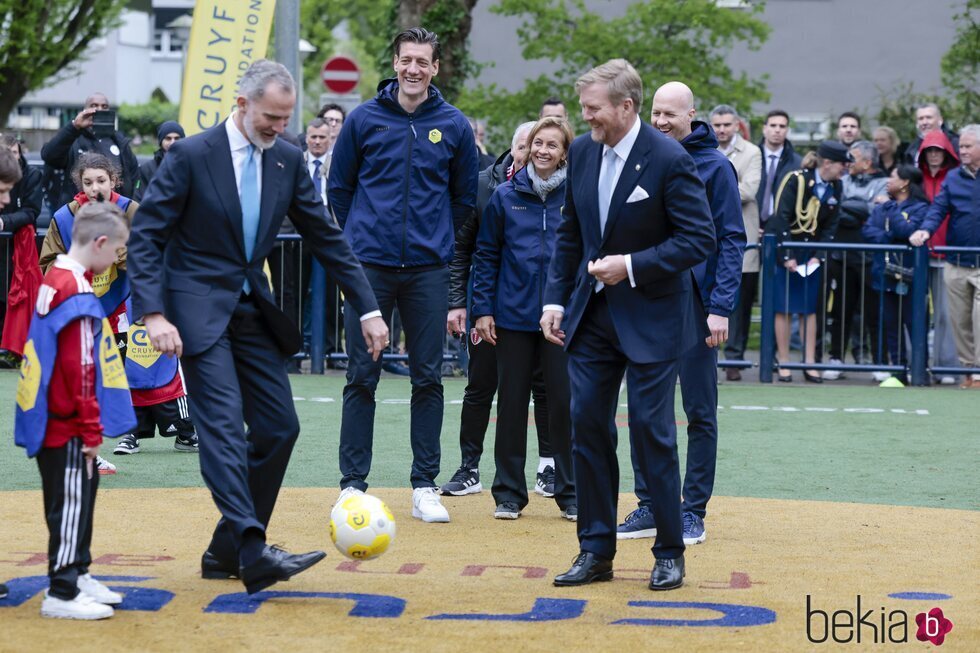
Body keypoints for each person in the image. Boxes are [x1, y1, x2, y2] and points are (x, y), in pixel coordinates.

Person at [127, 59, 388, 594]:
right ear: (242, 104)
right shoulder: (191, 156)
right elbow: (147, 236)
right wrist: (152, 313)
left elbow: (327, 237)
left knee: (278, 429)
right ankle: (251, 547)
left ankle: (224, 551)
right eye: (271, 116)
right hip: (195, 315)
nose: (278, 127)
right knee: (222, 428)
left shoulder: (286, 160)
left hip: (251, 313)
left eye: (286, 117)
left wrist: (368, 307)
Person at [542, 59, 715, 591]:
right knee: (587, 429)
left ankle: (669, 551)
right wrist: (554, 301)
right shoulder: (587, 152)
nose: (586, 118)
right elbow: (571, 233)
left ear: (626, 106)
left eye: (593, 109)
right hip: (592, 316)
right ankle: (595, 551)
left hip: (655, 319)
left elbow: (698, 239)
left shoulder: (668, 158)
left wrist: (632, 266)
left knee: (651, 433)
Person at [328, 27, 479, 523]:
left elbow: (463, 198)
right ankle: (352, 486)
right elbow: (340, 189)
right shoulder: (363, 120)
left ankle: (424, 485)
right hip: (369, 268)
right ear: (394, 63)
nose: (414, 68)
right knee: (361, 376)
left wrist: (435, 238)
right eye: (406, 59)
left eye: (423, 61)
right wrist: (361, 238)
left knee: (428, 377)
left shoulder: (453, 125)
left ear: (436, 68)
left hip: (428, 271)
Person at [617, 83, 744, 545]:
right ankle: (650, 504)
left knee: (699, 412)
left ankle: (693, 511)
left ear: (692, 113)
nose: (663, 121)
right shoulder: (643, 161)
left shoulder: (716, 167)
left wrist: (720, 307)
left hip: (697, 311)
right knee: (644, 411)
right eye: (656, 113)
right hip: (647, 306)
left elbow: (732, 239)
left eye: (671, 113)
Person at [14, 202, 136, 619]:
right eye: (116, 251)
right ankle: (62, 591)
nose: (116, 261)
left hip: (54, 417)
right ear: (99, 243)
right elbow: (81, 369)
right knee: (69, 502)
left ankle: (78, 572)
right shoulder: (80, 293)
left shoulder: (57, 275)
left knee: (80, 496)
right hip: (64, 423)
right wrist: (90, 431)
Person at [442, 120, 558, 498]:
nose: (531, 153)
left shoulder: (561, 192)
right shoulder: (484, 185)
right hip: (491, 305)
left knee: (545, 389)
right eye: (525, 146)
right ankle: (469, 466)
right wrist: (460, 303)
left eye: (539, 145)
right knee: (481, 386)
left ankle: (547, 467)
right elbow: (465, 249)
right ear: (513, 150)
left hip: (543, 310)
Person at [471, 117, 577, 520]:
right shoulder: (504, 195)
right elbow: (487, 254)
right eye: (537, 143)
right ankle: (509, 494)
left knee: (565, 406)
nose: (543, 151)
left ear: (564, 152)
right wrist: (482, 308)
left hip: (561, 319)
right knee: (512, 404)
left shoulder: (577, 196)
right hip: (512, 317)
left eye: (552, 144)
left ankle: (570, 493)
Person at [767, 141, 849, 382]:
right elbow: (781, 216)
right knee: (783, 308)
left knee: (809, 308)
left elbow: (831, 225)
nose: (844, 169)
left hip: (811, 252)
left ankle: (809, 361)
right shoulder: (797, 179)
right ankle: (783, 361)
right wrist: (787, 256)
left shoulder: (836, 185)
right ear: (827, 163)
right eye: (842, 164)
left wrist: (819, 255)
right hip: (788, 247)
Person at [911, 124, 980, 388]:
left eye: (967, 146)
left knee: (978, 318)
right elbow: (938, 209)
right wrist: (925, 230)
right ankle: (968, 372)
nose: (961, 151)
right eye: (960, 146)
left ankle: (979, 371)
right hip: (956, 261)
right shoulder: (953, 178)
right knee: (959, 320)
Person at [823, 140, 888, 380]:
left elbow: (878, 213)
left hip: (871, 258)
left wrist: (855, 209)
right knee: (841, 310)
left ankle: (880, 361)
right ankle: (836, 358)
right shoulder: (843, 180)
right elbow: (836, 208)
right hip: (843, 256)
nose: (849, 163)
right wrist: (861, 209)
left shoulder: (883, 183)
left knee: (874, 312)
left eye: (855, 158)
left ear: (868, 162)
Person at [861, 166, 930, 386]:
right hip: (885, 273)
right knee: (891, 324)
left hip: (912, 276)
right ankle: (898, 370)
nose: (888, 181)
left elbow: (908, 231)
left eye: (892, 177)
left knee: (914, 323)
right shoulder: (883, 207)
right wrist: (890, 236)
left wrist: (892, 211)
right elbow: (868, 231)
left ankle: (920, 370)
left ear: (905, 183)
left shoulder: (920, 207)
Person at [711, 105, 762, 381]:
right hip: (709, 237)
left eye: (726, 125)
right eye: (717, 124)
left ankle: (734, 358)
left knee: (739, 303)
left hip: (742, 235)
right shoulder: (703, 149)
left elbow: (749, 191)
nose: (721, 129)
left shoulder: (752, 152)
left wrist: (713, 186)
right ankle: (712, 355)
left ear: (736, 125)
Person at [40, 92, 140, 208]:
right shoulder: (73, 138)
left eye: (104, 106)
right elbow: (49, 156)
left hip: (115, 211)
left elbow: (134, 176)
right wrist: (74, 127)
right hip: (80, 211)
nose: (99, 109)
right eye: (94, 106)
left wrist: (129, 205)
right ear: (85, 110)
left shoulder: (119, 141)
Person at [917, 128, 961, 384]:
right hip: (919, 254)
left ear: (947, 153)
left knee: (946, 313)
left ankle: (946, 367)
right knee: (916, 312)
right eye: (930, 150)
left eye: (939, 150)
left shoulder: (954, 178)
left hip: (947, 253)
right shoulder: (916, 178)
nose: (934, 155)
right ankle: (916, 364)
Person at [304, 106, 347, 367]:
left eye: (323, 137)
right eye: (314, 137)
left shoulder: (340, 164)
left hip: (331, 240)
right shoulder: (297, 162)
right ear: (307, 137)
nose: (318, 141)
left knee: (332, 297)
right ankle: (297, 350)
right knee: (294, 295)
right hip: (298, 240)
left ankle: (332, 351)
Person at [0, 135, 43, 368]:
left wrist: (4, 222)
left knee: (12, 295)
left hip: (18, 247)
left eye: (15, 153)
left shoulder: (32, 175)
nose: (6, 199)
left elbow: (30, 212)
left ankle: (10, 348)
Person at [757, 110, 803, 232]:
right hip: (752, 225)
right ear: (764, 128)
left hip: (783, 228)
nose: (777, 130)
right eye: (773, 125)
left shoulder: (797, 163)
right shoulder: (751, 157)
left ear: (787, 130)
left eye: (782, 126)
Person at [134, 121, 184, 202]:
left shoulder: (191, 166)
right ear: (161, 141)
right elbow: (139, 199)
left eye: (177, 138)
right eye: (168, 138)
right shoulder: (147, 169)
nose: (173, 142)